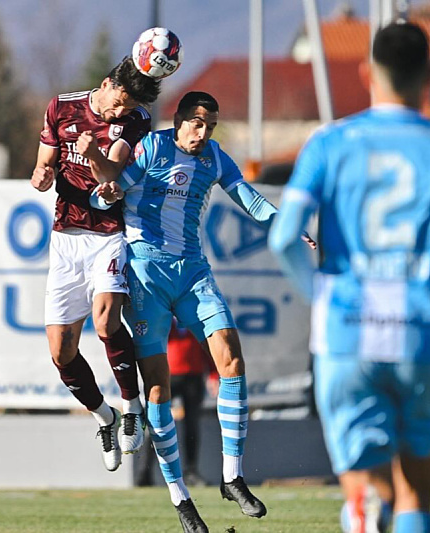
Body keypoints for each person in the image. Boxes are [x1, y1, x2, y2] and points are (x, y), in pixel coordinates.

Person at [269, 22, 430, 533]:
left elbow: (284, 236)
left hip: (347, 327)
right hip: (423, 327)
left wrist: (321, 297)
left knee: (364, 483)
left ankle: (362, 510)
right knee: (416, 493)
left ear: (366, 72)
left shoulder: (329, 144)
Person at [91, 91, 303, 532]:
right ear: (180, 119)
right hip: (147, 274)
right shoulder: (151, 146)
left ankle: (232, 476)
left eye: (210, 126)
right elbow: (112, 189)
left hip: (193, 272)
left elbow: (249, 197)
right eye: (196, 124)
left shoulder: (216, 158)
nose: (202, 133)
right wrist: (106, 191)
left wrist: (286, 223)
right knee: (157, 390)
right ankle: (180, 498)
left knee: (231, 356)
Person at [30, 56, 160, 472]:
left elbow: (113, 174)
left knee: (106, 322)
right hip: (66, 237)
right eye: (118, 101)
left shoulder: (135, 120)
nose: (120, 111)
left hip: (109, 234)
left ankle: (131, 406)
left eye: (128, 107)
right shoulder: (61, 107)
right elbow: (44, 161)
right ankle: (104, 417)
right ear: (105, 84)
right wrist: (41, 175)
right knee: (61, 351)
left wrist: (92, 157)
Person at [137, 320, 218, 488]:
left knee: (192, 424)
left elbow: (206, 346)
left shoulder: (194, 319)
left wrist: (212, 373)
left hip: (193, 377)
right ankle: (145, 473)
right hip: (167, 376)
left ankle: (191, 471)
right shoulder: (162, 318)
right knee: (156, 423)